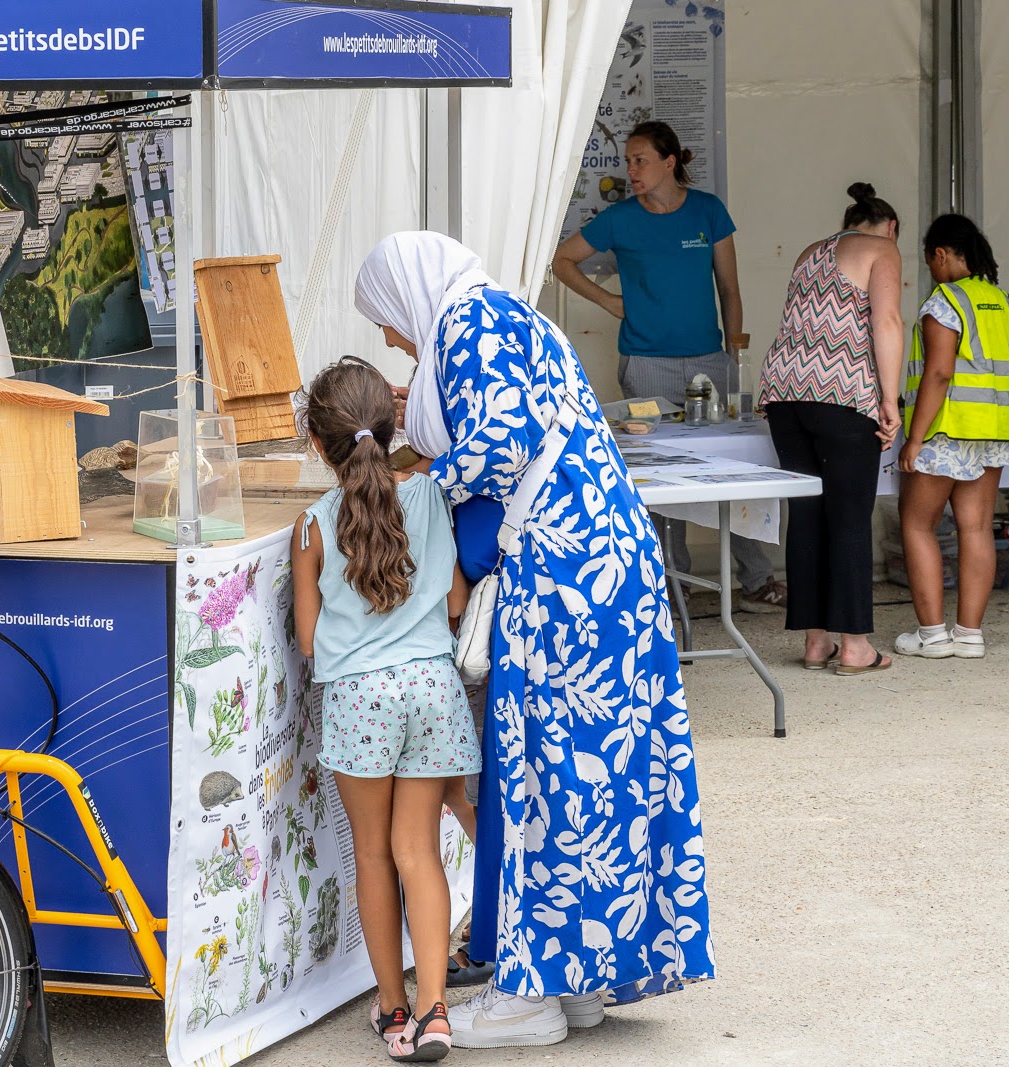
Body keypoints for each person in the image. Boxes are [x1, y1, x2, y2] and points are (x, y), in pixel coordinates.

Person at [356, 232, 714, 1049]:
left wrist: (408, 488)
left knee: (548, 767)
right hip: (603, 565)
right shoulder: (510, 317)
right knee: (602, 770)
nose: (389, 337)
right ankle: (579, 976)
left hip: (563, 576)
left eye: (387, 319)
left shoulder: (471, 325)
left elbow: (501, 442)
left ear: (409, 293)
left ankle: (531, 997)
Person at [291, 358, 480, 1062]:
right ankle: (436, 1012)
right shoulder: (430, 497)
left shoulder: (312, 527)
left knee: (373, 856)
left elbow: (309, 640)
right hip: (432, 689)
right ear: (393, 421)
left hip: (361, 699)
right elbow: (457, 602)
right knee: (418, 852)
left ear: (317, 442)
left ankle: (392, 1008)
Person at [553, 120, 786, 610]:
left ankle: (757, 580)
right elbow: (562, 261)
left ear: (669, 162)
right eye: (628, 162)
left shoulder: (707, 211)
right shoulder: (620, 219)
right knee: (657, 479)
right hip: (646, 364)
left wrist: (734, 353)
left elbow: (730, 289)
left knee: (730, 470)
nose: (632, 171)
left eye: (640, 161)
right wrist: (609, 301)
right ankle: (671, 590)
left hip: (710, 361)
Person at [758, 182, 905, 676]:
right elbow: (886, 322)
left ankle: (816, 640)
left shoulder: (809, 252)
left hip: (785, 394)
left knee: (808, 515)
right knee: (848, 516)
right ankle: (857, 645)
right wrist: (889, 400)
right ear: (891, 228)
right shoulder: (882, 250)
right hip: (841, 394)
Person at [895, 214, 1009, 661]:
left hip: (946, 431)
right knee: (975, 527)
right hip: (992, 432)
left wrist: (915, 438)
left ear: (942, 254)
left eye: (931, 260)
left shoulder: (944, 301)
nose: (932, 270)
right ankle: (969, 634)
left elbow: (940, 372)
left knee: (917, 524)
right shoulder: (1004, 302)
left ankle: (932, 636)